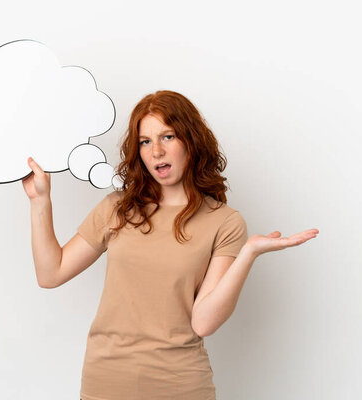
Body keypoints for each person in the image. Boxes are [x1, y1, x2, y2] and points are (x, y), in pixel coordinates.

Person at [22, 90, 318, 400]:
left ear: (191, 141)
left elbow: (203, 322)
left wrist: (248, 254)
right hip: (106, 381)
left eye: (168, 137)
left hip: (181, 385)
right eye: (146, 141)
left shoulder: (225, 222)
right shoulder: (117, 208)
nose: (156, 151)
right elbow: (50, 274)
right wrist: (40, 200)